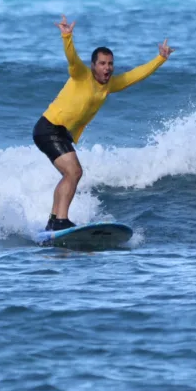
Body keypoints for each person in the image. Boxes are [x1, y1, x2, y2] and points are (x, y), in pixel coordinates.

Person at [33, 15, 174, 231]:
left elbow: (135, 75)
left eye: (110, 64)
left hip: (59, 132)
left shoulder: (109, 85)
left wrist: (160, 59)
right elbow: (72, 58)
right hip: (48, 127)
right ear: (93, 65)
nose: (107, 68)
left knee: (70, 174)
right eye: (102, 64)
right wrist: (67, 36)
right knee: (74, 172)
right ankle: (60, 220)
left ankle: (54, 220)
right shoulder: (81, 75)